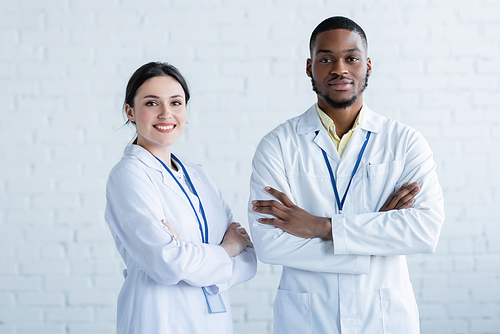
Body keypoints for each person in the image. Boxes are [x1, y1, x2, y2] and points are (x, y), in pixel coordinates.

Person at [249, 16, 444, 334]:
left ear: (367, 65)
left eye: (351, 58)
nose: (339, 69)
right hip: (309, 319)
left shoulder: (404, 142)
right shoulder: (278, 145)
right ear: (309, 66)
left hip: (383, 317)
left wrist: (319, 227)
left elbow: (424, 231)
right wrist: (377, 232)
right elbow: (270, 244)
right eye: (326, 59)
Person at [105, 62, 257, 334]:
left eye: (176, 103)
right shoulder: (128, 175)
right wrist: (225, 250)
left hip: (214, 322)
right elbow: (165, 263)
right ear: (130, 111)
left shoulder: (199, 175)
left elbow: (247, 259)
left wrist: (189, 255)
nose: (166, 113)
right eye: (152, 103)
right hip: (158, 320)